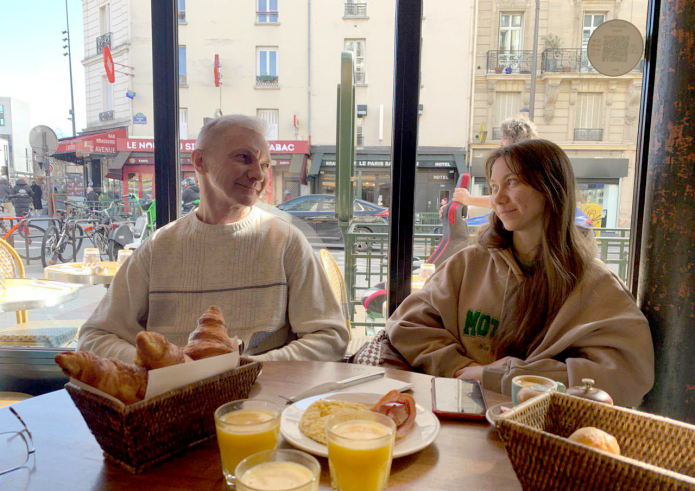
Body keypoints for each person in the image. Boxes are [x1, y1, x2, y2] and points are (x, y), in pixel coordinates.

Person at [385, 140, 654, 406]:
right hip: (460, 416)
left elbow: (627, 375)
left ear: (551, 187)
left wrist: (498, 377)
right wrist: (458, 367)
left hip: (544, 427)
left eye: (511, 182)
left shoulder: (596, 284)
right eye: (493, 187)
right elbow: (406, 324)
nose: (498, 198)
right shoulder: (468, 263)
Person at [78, 115, 349, 363]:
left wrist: (252, 367)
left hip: (263, 398)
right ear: (199, 161)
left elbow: (330, 338)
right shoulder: (159, 247)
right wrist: (159, 364)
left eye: (265, 164)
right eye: (244, 158)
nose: (259, 174)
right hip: (172, 398)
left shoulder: (286, 241)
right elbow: (94, 337)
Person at [447, 116, 539, 211]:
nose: (500, 143)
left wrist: (470, 200)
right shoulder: (528, 165)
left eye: (504, 137)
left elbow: (508, 199)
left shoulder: (523, 167)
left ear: (515, 141)